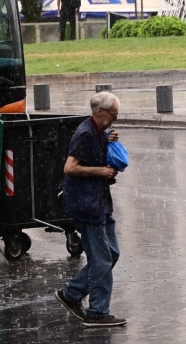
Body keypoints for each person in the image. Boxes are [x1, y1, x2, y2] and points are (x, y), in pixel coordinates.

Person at [54, 92, 126, 327]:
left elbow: (95, 153)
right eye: (113, 115)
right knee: (102, 260)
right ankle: (97, 312)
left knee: (111, 254)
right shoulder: (85, 133)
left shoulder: (97, 131)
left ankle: (71, 294)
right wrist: (101, 171)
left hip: (99, 202)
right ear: (99, 112)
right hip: (87, 205)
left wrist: (108, 139)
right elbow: (70, 167)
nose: (115, 119)